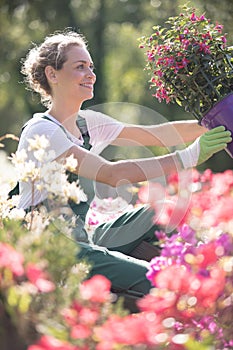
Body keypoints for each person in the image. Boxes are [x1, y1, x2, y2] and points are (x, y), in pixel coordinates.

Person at [17, 30, 232, 312]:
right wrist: (189, 155)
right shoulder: (42, 130)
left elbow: (159, 133)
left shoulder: (86, 123)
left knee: (161, 212)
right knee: (158, 281)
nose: (90, 74)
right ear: (52, 74)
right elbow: (110, 172)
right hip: (52, 246)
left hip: (83, 235)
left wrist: (220, 117)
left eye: (91, 66)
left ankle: (215, 274)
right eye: (79, 67)